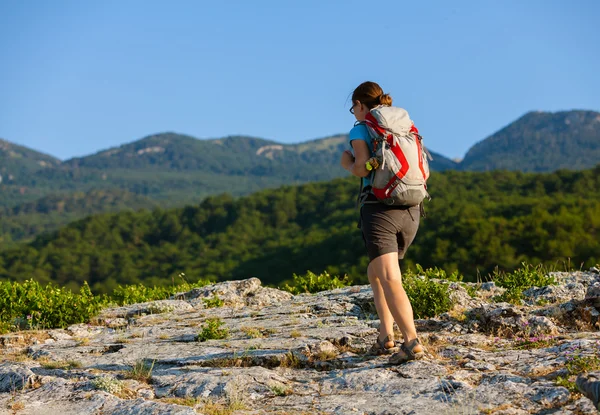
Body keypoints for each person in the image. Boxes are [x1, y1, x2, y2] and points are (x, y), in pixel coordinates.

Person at [340, 81, 425, 364]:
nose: (353, 112)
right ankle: (385, 334)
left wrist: (347, 164)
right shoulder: (401, 124)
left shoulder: (360, 128)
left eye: (353, 107)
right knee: (376, 272)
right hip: (412, 207)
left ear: (361, 105)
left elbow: (363, 167)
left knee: (389, 277)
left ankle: (411, 341)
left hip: (380, 209)